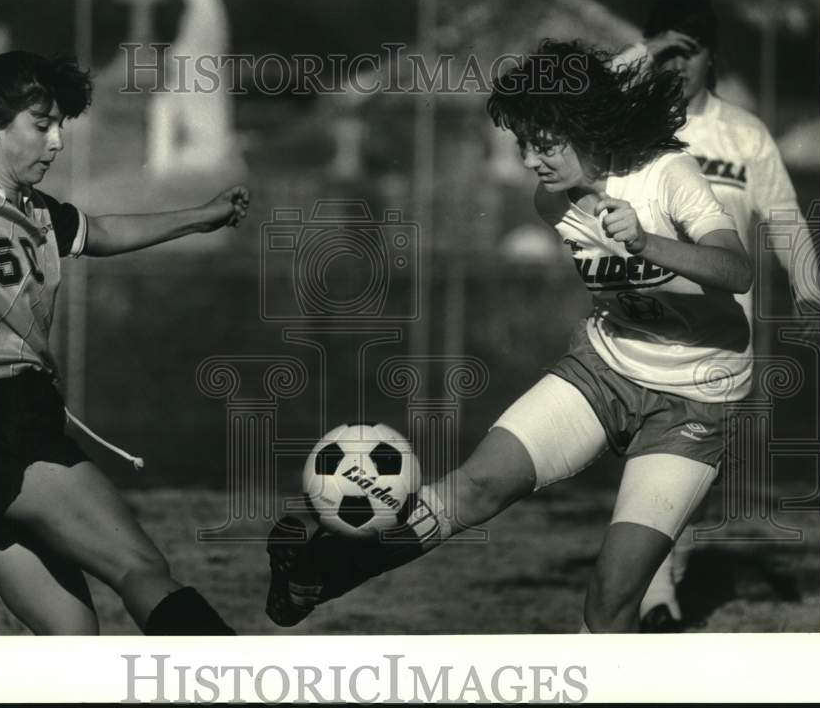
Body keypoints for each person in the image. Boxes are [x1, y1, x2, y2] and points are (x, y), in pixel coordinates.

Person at [265, 39, 754, 633]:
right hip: (606, 368)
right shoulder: (552, 201)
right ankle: (313, 575)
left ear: (583, 125)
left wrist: (648, 243)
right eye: (521, 143)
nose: (529, 159)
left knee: (609, 601)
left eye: (542, 142)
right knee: (474, 487)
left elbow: (737, 271)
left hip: (698, 398)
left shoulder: (666, 174)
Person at [0, 50, 250, 636]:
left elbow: (103, 231)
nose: (57, 142)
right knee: (142, 567)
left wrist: (199, 217)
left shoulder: (37, 211)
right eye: (42, 125)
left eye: (60, 127)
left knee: (74, 640)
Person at [617, 0, 820, 630]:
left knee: (689, 470)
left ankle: (658, 589)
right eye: (664, 52)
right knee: (653, 462)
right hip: (640, 324)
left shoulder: (743, 134)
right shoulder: (630, 126)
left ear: (712, 56)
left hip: (720, 337)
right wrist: (641, 54)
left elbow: (786, 224)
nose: (676, 66)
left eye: (689, 51)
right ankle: (656, 598)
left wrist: (819, 297)